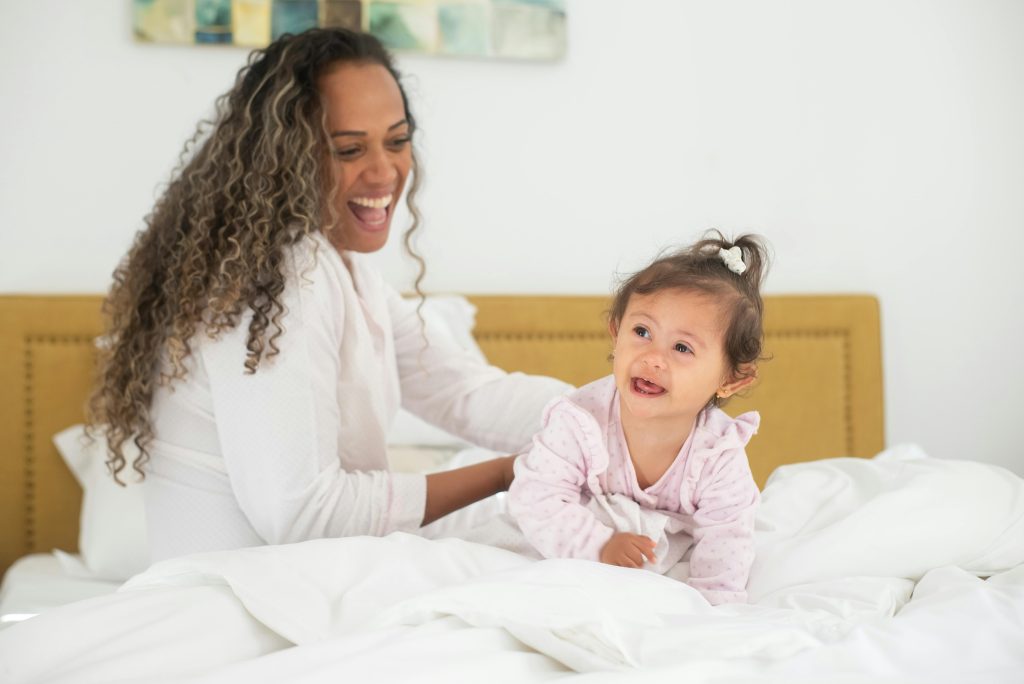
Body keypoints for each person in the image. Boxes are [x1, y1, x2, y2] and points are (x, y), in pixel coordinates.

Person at [89, 28, 570, 563]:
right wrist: (506, 473)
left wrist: (620, 415)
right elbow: (304, 516)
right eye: (348, 149)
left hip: (297, 584)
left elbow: (462, 392)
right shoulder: (279, 283)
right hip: (241, 606)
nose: (384, 171)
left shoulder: (343, 269)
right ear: (284, 159)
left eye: (397, 140)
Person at [507, 233, 768, 605]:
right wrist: (599, 545)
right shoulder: (581, 422)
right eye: (642, 332)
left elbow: (725, 551)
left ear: (729, 380)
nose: (653, 358)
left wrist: (711, 617)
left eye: (682, 348)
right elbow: (535, 497)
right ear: (616, 334)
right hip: (580, 547)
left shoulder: (717, 458)